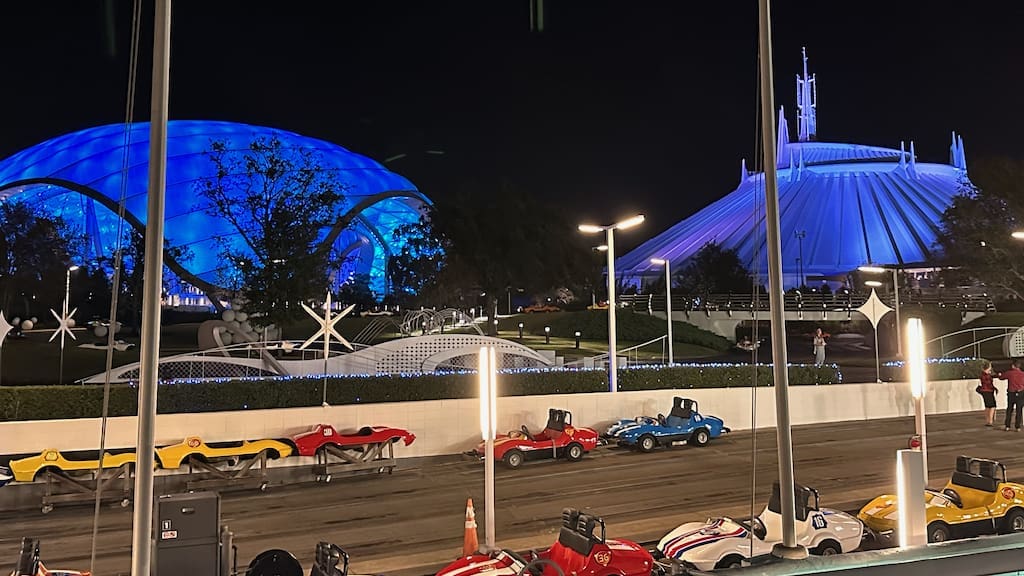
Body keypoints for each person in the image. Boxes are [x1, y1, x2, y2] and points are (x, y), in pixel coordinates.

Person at [999, 358, 1024, 431]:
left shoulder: (1010, 373)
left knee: (1009, 409)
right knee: (1019, 410)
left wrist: (999, 374)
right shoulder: (1023, 374)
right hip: (1021, 393)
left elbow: (1001, 377)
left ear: (1013, 366)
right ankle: (1017, 426)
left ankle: (1007, 426)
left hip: (1011, 393)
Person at [978, 360, 998, 427]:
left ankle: (988, 420)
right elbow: (989, 384)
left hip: (984, 391)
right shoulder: (987, 376)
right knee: (992, 406)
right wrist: (994, 388)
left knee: (987, 406)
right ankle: (990, 421)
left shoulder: (982, 374)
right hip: (988, 391)